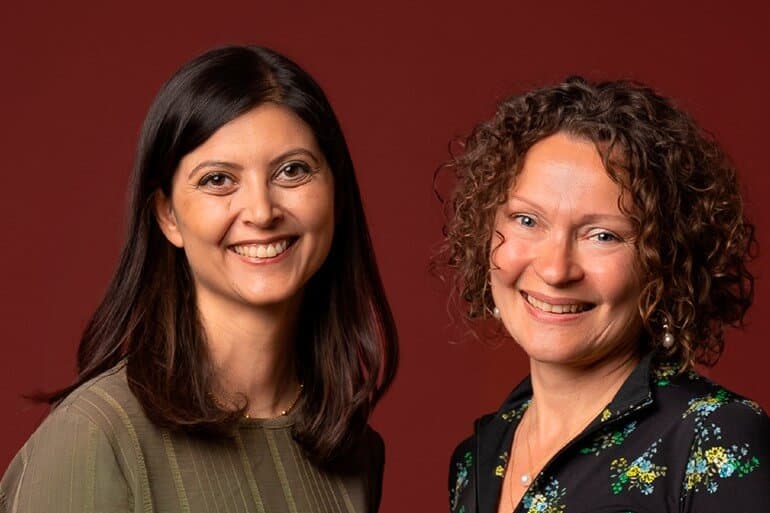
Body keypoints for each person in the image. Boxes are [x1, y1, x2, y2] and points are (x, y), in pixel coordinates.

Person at [0, 45, 397, 513]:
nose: (261, 212)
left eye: (292, 171)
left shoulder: (354, 453)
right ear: (168, 215)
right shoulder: (94, 438)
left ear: (336, 193)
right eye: (218, 180)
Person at [438, 77, 770, 512]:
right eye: (527, 220)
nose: (555, 270)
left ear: (664, 261)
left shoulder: (712, 439)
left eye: (602, 235)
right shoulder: (475, 460)